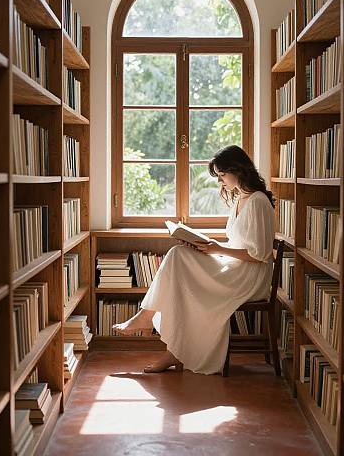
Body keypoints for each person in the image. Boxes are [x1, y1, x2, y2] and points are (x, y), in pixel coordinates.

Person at [112, 145, 275, 374]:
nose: (220, 182)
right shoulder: (241, 199)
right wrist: (208, 248)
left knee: (179, 262)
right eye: (218, 176)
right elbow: (239, 244)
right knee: (180, 257)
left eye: (222, 175)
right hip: (235, 266)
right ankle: (168, 345)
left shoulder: (258, 201)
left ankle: (150, 322)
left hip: (249, 277)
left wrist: (218, 249)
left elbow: (260, 255)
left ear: (238, 170)